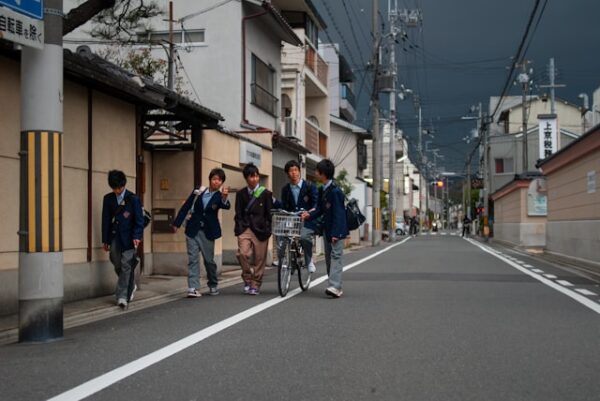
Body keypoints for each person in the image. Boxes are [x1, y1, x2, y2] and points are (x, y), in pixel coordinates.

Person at [172, 168, 230, 298]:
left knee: (209, 261)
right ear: (210, 179)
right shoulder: (199, 191)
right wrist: (177, 223)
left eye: (219, 180)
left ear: (222, 183)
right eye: (214, 179)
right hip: (192, 230)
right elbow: (186, 206)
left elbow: (226, 206)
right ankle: (193, 287)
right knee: (193, 259)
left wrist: (225, 197)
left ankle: (213, 284)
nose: (216, 182)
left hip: (208, 232)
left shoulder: (219, 196)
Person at [302, 159, 348, 298]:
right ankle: (335, 286)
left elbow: (339, 215)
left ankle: (334, 286)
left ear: (323, 174)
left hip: (336, 231)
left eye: (317, 171)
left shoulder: (335, 191)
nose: (315, 173)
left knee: (336, 256)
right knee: (329, 258)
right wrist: (309, 215)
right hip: (327, 230)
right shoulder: (324, 190)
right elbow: (320, 209)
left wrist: (336, 233)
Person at [102, 170, 144, 309]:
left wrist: (137, 236)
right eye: (114, 188)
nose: (117, 190)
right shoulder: (108, 199)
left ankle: (122, 296)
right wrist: (105, 240)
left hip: (129, 238)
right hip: (114, 237)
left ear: (123, 185)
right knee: (116, 262)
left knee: (126, 265)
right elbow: (106, 220)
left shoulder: (133, 199)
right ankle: (130, 285)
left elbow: (139, 220)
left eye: (119, 187)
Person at [234, 163, 273, 295]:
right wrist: (239, 228)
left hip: (261, 230)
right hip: (245, 228)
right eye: (252, 176)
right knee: (242, 254)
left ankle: (255, 284)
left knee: (259, 259)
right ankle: (247, 278)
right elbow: (238, 212)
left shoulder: (266, 193)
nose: (255, 179)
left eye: (256, 176)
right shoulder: (240, 194)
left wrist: (268, 229)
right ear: (246, 178)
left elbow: (269, 214)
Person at [274, 159, 318, 273]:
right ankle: (282, 257)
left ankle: (309, 261)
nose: (293, 173)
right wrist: (274, 202)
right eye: (290, 171)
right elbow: (285, 206)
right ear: (287, 173)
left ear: (299, 171)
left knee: (304, 237)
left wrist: (311, 212)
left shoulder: (309, 186)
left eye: (295, 170)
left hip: (307, 218)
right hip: (293, 218)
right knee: (278, 230)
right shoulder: (286, 189)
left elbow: (316, 203)